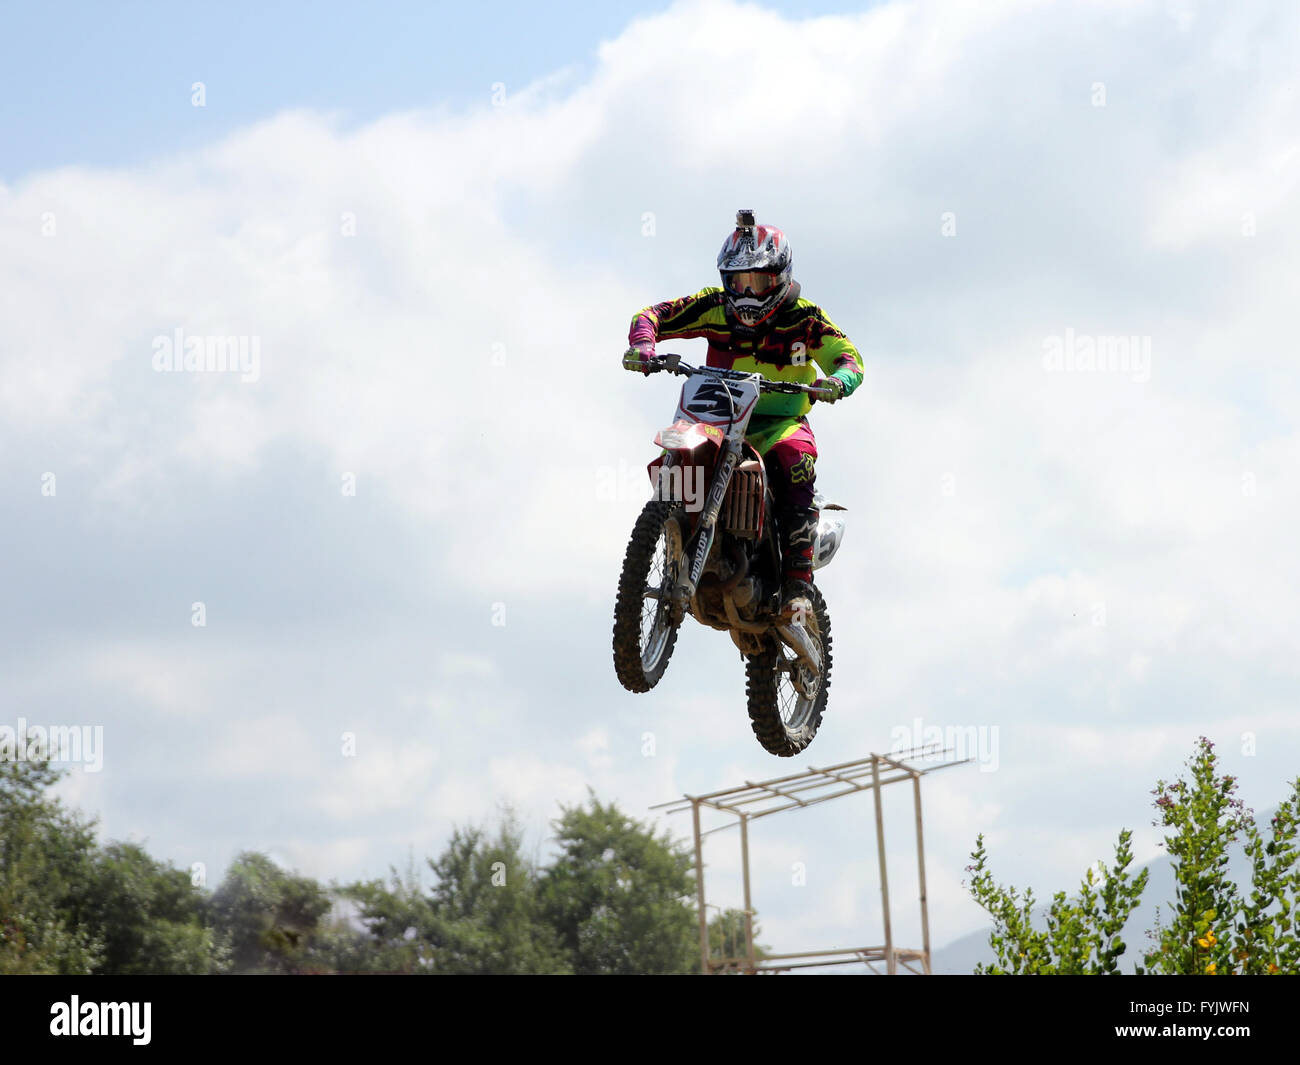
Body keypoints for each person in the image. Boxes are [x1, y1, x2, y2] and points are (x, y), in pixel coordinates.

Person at [623, 209, 863, 616]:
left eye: (759, 281)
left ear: (781, 276)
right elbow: (652, 315)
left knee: (793, 460)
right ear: (726, 281)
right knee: (681, 445)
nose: (749, 293)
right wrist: (644, 345)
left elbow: (848, 358)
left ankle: (797, 586)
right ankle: (677, 530)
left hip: (777, 423)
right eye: (739, 282)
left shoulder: (805, 319)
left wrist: (838, 381)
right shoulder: (714, 307)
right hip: (714, 416)